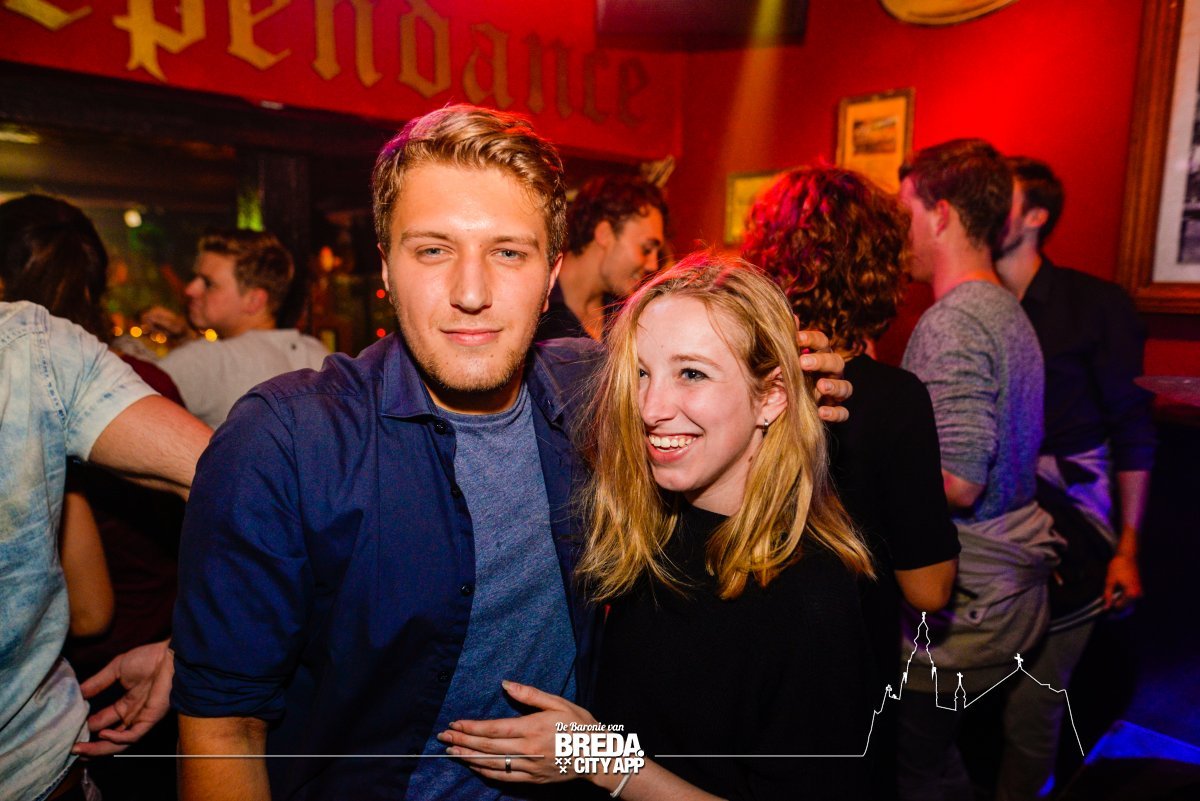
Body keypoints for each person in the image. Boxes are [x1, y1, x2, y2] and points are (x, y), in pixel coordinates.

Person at [170, 106, 851, 801]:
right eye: (432, 250)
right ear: (386, 265)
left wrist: (801, 376)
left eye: (508, 253)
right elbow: (225, 725)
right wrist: (196, 639)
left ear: (551, 273)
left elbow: (713, 377)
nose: (471, 293)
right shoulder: (286, 440)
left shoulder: (596, 390)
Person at [437, 254, 877, 800]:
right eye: (642, 373)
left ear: (771, 396)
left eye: (692, 373)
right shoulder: (650, 531)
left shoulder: (810, 595)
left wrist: (601, 759)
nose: (651, 407)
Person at [742, 166, 960, 798]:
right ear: (878, 269)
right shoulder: (894, 398)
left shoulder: (734, 379)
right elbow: (928, 589)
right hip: (843, 685)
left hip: (736, 665)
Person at [0, 194, 191, 798]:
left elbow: (91, 611)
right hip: (130, 681)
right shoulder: (139, 380)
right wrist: (199, 642)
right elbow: (247, 495)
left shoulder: (47, 365)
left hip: (102, 688)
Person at [894, 139, 1060, 800]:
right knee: (952, 760)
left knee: (915, 772)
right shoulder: (1006, 306)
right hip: (1010, 599)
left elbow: (959, 481)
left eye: (907, 211)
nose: (903, 231)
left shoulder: (953, 321)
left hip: (968, 611)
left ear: (940, 215)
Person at [993, 157, 1155, 799]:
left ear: (1035, 216)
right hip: (994, 533)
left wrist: (1127, 548)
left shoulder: (1095, 305)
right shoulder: (972, 305)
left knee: (1032, 710)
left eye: (1000, 198)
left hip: (1074, 537)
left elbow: (1133, 429)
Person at [153, 229, 329, 428]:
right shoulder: (318, 354)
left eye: (209, 283)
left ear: (254, 300)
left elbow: (126, 397)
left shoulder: (206, 360)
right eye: (195, 278)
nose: (190, 289)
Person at [535, 175, 666, 341]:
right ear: (604, 234)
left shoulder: (628, 321)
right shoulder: (534, 305)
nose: (653, 265)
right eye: (646, 249)